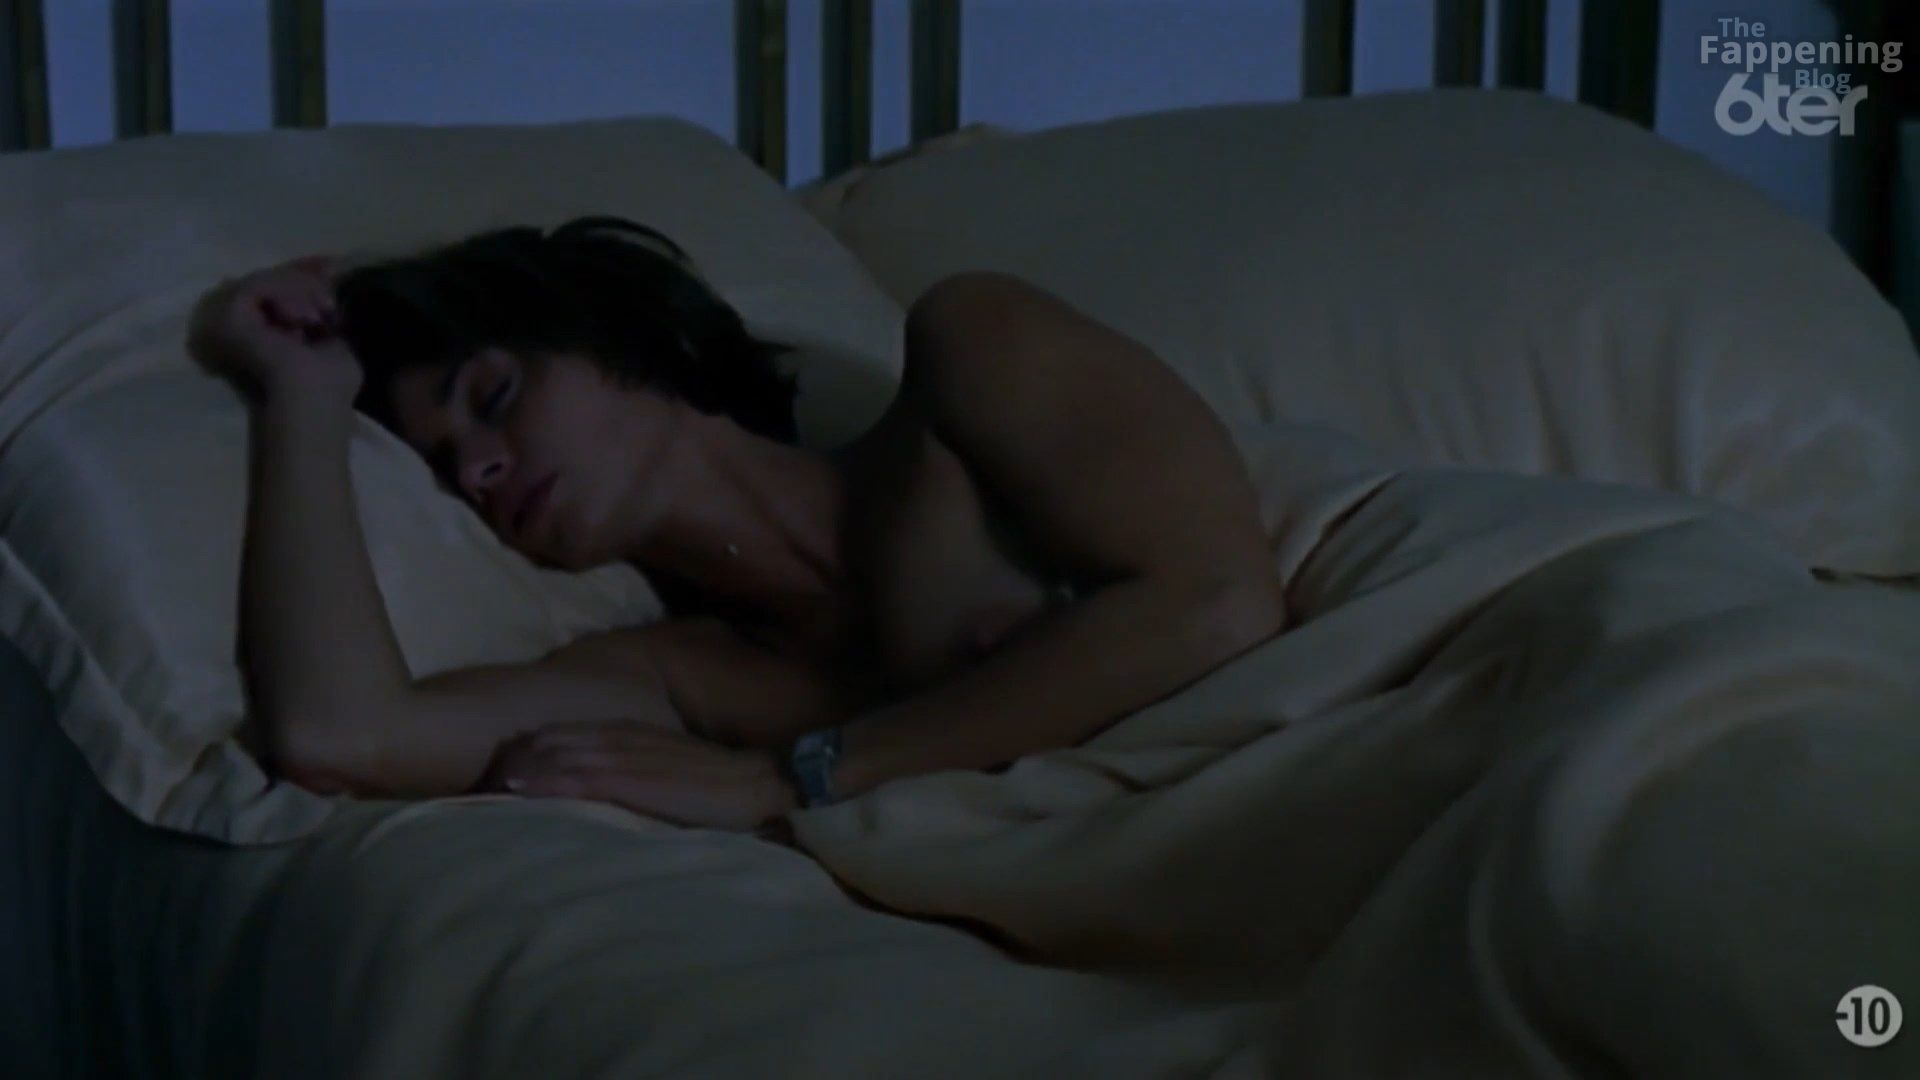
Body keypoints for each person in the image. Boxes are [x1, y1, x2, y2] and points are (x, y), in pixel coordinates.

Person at [187, 215, 1286, 835]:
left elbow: (1216, 608)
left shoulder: (970, 361)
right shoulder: (683, 678)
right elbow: (342, 737)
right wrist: (303, 400)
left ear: (627, 339)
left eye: (496, 396)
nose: (477, 468)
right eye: (443, 466)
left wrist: (796, 777)